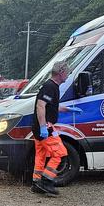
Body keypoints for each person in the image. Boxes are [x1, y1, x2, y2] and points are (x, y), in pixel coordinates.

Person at [31, 61, 81, 196]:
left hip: (40, 127)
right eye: (68, 72)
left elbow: (51, 106)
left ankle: (36, 183)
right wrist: (43, 127)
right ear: (61, 72)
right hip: (46, 127)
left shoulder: (52, 87)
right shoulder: (50, 87)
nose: (69, 74)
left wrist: (68, 109)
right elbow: (40, 106)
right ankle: (46, 182)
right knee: (60, 153)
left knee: (41, 155)